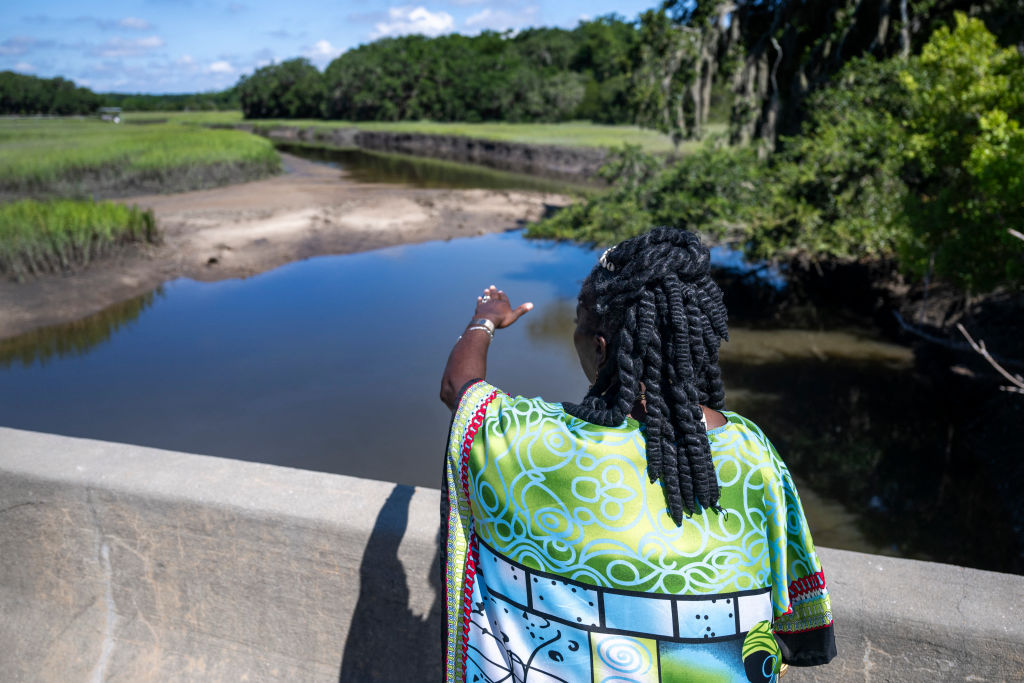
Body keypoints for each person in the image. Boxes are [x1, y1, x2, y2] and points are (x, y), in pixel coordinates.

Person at [439, 227, 836, 683]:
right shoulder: (750, 451)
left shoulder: (529, 439)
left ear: (601, 348)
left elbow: (460, 389)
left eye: (578, 325)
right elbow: (791, 603)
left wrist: (485, 320)